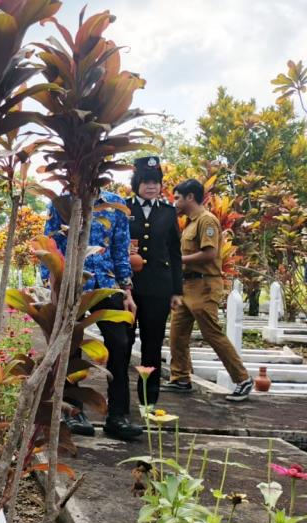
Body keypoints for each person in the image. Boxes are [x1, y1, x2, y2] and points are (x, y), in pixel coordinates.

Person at [44, 190, 143, 440]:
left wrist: (127, 291)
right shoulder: (62, 201)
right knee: (70, 347)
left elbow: (121, 250)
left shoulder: (115, 204)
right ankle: (72, 410)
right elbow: (49, 242)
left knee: (120, 345)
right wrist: (50, 283)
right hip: (71, 282)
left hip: (107, 282)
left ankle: (117, 415)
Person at [165, 179, 253, 402]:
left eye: (177, 198)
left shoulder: (207, 221)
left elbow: (210, 254)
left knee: (211, 333)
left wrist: (177, 259)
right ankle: (181, 378)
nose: (174, 202)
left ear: (190, 198)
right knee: (177, 334)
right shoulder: (190, 222)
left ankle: (242, 379)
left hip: (204, 285)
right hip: (187, 286)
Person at [124, 156, 183, 410]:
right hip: (128, 287)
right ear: (136, 183)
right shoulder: (123, 209)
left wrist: (177, 291)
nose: (151, 187)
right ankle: (119, 401)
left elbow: (175, 253)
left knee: (152, 344)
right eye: (146, 182)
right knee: (122, 344)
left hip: (158, 288)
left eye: (155, 182)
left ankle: (148, 401)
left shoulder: (169, 213)